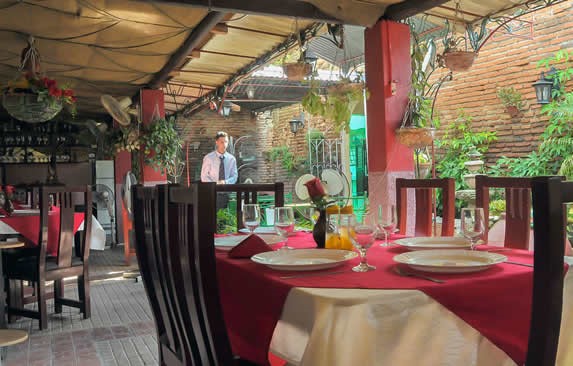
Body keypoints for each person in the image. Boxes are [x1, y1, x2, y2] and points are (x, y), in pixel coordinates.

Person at [201, 132, 238, 210]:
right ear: (217, 142)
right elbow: (204, 177)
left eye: (226, 142)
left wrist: (225, 182)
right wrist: (215, 184)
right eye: (222, 142)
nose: (224, 144)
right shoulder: (208, 158)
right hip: (212, 192)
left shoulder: (231, 159)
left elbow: (234, 176)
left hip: (227, 192)